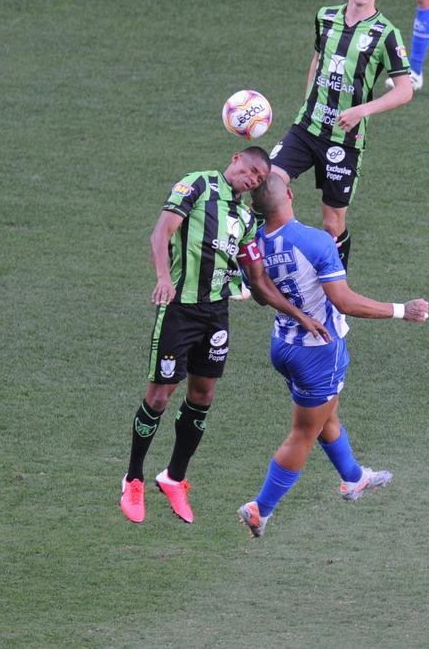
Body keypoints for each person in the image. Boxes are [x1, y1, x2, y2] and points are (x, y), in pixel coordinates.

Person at [119, 147, 332, 525]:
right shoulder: (198, 184)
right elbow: (161, 231)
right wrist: (163, 278)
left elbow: (259, 282)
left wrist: (301, 316)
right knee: (159, 396)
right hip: (180, 310)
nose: (250, 179)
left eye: (257, 178)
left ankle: (174, 477)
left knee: (203, 395)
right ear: (234, 159)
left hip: (215, 315)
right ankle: (133, 478)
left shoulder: (247, 219)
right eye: (248, 169)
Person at [237, 175, 429, 538]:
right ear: (290, 195)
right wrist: (403, 310)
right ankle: (260, 509)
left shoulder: (255, 245)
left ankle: (353, 477)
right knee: (303, 433)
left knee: (326, 411)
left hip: (283, 344)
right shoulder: (315, 241)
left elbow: (260, 294)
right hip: (318, 351)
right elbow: (344, 302)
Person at [268, 0, 413, 272]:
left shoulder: (387, 34)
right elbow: (317, 61)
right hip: (306, 128)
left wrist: (362, 110)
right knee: (268, 184)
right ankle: (252, 273)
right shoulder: (326, 17)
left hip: (344, 141)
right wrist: (309, 102)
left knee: (332, 223)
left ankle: (336, 286)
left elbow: (405, 91)